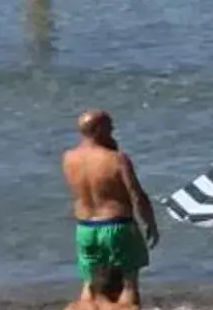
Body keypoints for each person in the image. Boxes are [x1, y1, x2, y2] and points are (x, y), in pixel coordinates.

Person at [64, 109, 160, 298]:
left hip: (85, 228)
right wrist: (150, 223)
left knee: (89, 284)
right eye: (109, 127)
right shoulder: (117, 159)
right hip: (117, 226)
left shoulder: (68, 158)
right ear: (98, 129)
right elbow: (136, 194)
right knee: (129, 283)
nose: (113, 130)